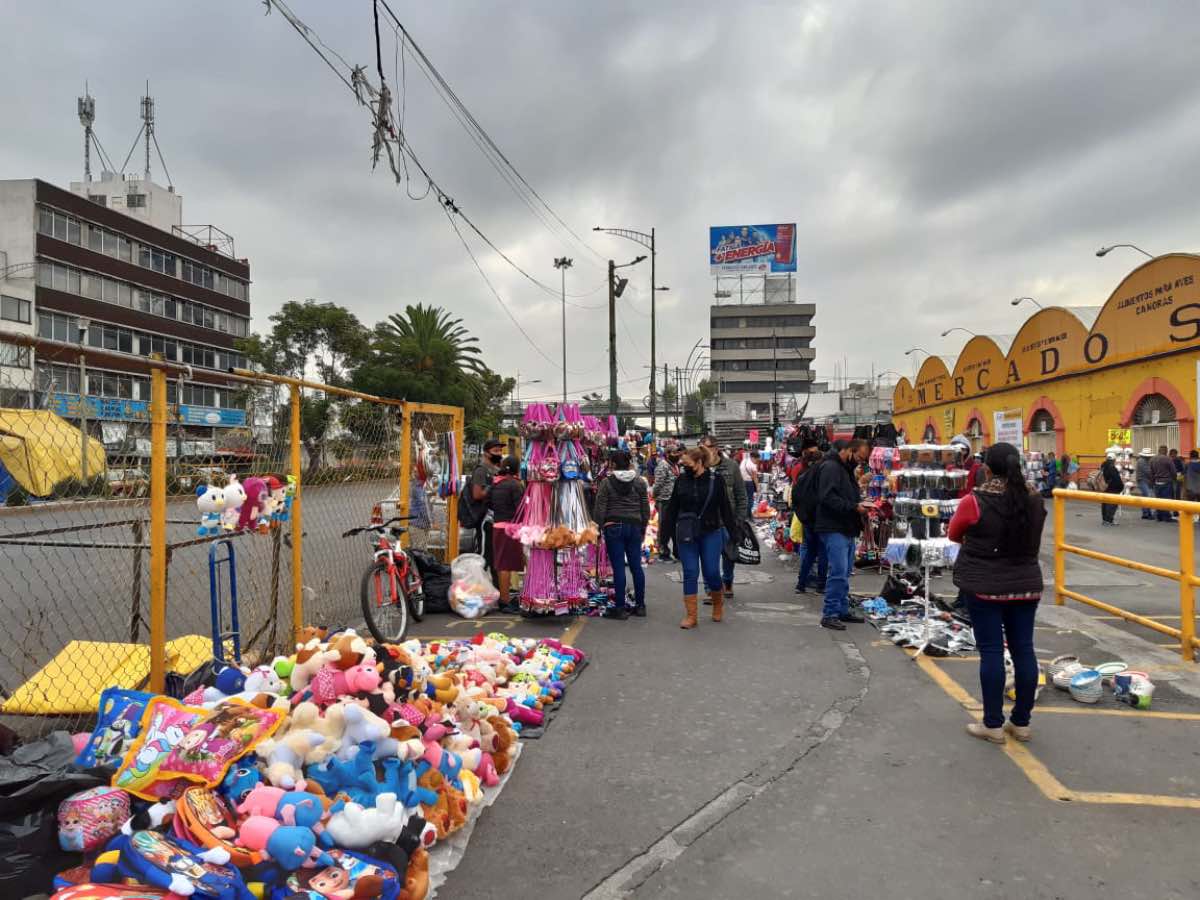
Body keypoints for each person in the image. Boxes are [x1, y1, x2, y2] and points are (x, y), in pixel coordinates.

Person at [947, 442, 1047, 744]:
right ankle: (1021, 723)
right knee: (1024, 650)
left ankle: (992, 724)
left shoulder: (975, 500)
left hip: (986, 587)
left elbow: (954, 534)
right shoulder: (1034, 498)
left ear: (987, 468)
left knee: (991, 652)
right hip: (1026, 585)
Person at [662, 446, 735, 629]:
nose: (684, 466)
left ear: (700, 462)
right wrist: (663, 537)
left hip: (711, 532)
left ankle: (718, 603)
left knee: (711, 572)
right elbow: (671, 509)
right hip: (687, 534)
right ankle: (691, 616)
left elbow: (725, 508)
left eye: (688, 464)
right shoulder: (681, 480)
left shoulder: (715, 480)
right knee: (690, 572)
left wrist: (734, 533)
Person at [814, 439, 871, 630]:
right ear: (848, 451)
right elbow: (827, 497)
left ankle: (841, 610)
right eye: (859, 457)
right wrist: (854, 507)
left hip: (845, 526)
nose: (860, 462)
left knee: (844, 572)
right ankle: (829, 614)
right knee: (838, 571)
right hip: (833, 527)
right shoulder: (831, 467)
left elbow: (844, 494)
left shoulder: (844, 468)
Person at [593, 449, 651, 620]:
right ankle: (640, 606)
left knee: (618, 568)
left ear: (613, 464)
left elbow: (600, 508)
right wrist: (643, 527)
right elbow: (645, 509)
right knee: (636, 567)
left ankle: (620, 608)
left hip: (613, 527)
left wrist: (598, 528)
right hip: (634, 527)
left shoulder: (606, 483)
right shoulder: (640, 482)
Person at [700, 435, 748, 598]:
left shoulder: (731, 466)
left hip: (728, 521)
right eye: (703, 447)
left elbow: (741, 495)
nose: (707, 451)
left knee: (729, 556)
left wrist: (740, 518)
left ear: (716, 448)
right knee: (708, 558)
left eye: (710, 447)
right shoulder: (699, 467)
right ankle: (710, 589)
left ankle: (727, 582)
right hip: (707, 523)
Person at [487, 457, 526, 611]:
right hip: (511, 528)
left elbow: (488, 503)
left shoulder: (495, 483)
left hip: (497, 526)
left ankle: (505, 598)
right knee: (506, 565)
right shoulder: (515, 485)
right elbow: (520, 508)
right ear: (516, 468)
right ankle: (505, 601)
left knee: (503, 563)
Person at [792, 452, 828, 594]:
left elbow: (795, 499)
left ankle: (801, 584)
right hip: (821, 520)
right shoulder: (821, 478)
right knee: (822, 553)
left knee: (810, 553)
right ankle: (821, 585)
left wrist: (803, 517)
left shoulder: (802, 477)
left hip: (808, 521)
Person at [470, 439, 505, 570]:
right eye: (495, 451)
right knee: (484, 556)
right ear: (486, 453)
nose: (499, 453)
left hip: (497, 520)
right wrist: (493, 485)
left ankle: (496, 588)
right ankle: (480, 586)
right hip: (485, 520)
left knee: (496, 557)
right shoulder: (481, 470)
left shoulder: (497, 469)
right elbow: (477, 494)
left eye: (500, 450)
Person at [652, 442, 682, 561]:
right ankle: (663, 552)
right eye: (674, 452)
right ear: (668, 454)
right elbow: (658, 484)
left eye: (677, 452)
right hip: (664, 500)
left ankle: (677, 551)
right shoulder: (663, 465)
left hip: (675, 500)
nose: (677, 454)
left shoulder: (675, 465)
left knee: (675, 527)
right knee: (664, 527)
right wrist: (655, 497)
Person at [1152, 445, 1176, 522]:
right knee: (1166, 500)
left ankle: (1159, 516)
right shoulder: (1168, 459)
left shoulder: (1153, 459)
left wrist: (1153, 481)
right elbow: (1173, 471)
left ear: (1159, 450)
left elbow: (1151, 472)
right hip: (1166, 482)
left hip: (1157, 482)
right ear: (1165, 451)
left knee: (1158, 499)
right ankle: (1166, 516)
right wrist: (1174, 478)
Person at [1100, 453, 1123, 526]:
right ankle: (1109, 520)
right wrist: (1121, 487)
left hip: (1105, 488)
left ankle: (1105, 520)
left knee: (1105, 504)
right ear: (1113, 460)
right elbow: (1117, 480)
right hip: (1113, 489)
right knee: (1112, 505)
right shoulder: (1112, 468)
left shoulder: (1103, 467)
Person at [1135, 448, 1154, 519]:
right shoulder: (1142, 461)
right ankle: (1147, 513)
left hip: (1143, 480)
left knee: (1145, 496)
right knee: (1148, 496)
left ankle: (1146, 513)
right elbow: (1148, 472)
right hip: (1142, 480)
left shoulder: (1144, 460)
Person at [739, 447, 758, 511]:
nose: (757, 461)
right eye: (757, 459)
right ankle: (749, 513)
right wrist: (758, 488)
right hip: (749, 483)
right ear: (754, 457)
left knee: (744, 497)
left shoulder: (744, 461)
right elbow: (755, 478)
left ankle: (744, 511)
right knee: (750, 498)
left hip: (742, 482)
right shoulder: (753, 465)